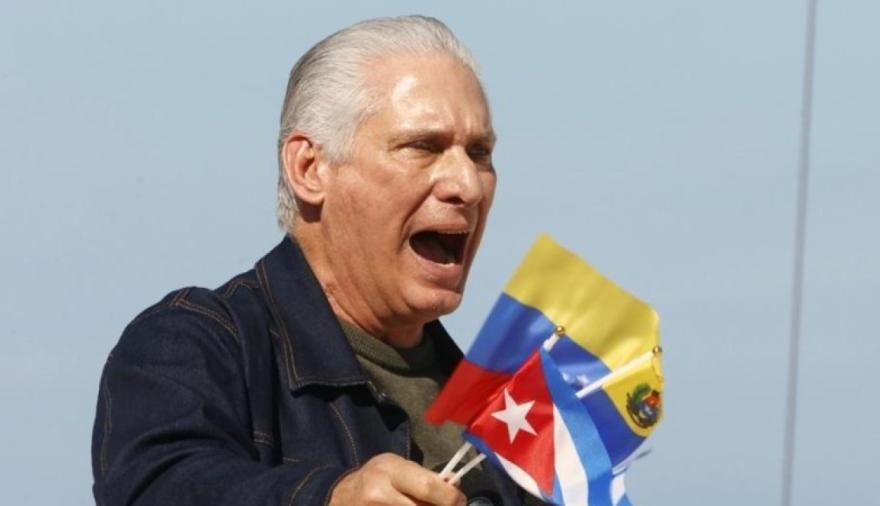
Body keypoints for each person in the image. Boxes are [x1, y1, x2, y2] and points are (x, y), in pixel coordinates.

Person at [92, 16, 534, 505]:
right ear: (309, 168)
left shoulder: (510, 414)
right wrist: (332, 496)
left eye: (480, 153)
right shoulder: (198, 347)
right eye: (422, 147)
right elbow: (159, 485)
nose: (468, 185)